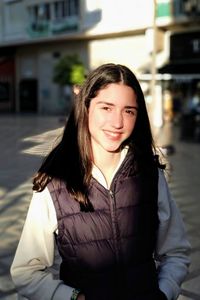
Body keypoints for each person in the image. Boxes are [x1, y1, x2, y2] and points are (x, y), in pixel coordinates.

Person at [10, 63, 190, 300]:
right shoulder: (54, 182)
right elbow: (27, 272)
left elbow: (175, 252)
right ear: (86, 107)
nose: (117, 123)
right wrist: (74, 298)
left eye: (129, 111)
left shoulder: (150, 175)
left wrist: (163, 293)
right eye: (106, 107)